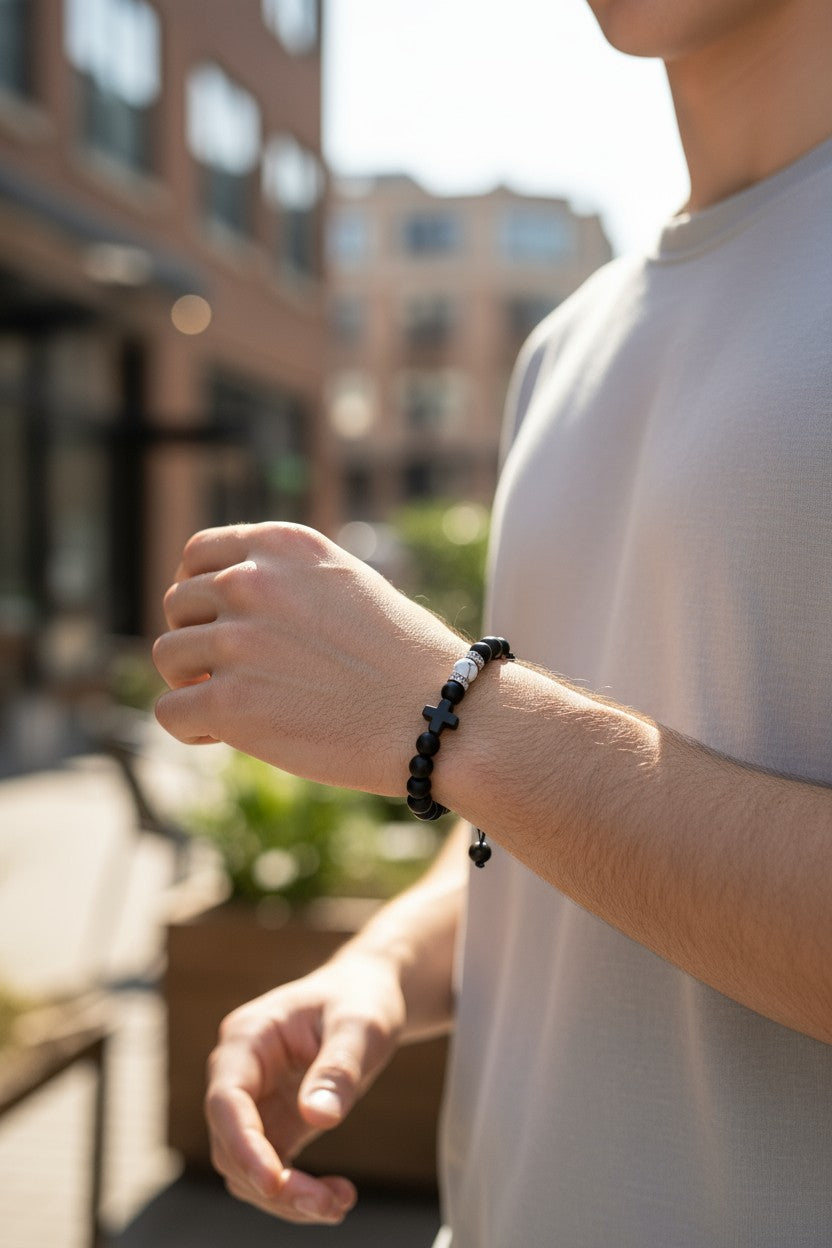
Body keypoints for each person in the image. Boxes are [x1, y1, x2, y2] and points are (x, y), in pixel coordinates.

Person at [151, 0, 832, 1242]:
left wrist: (448, 709)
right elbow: (570, 811)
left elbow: (510, 746)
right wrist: (387, 967)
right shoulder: (566, 345)